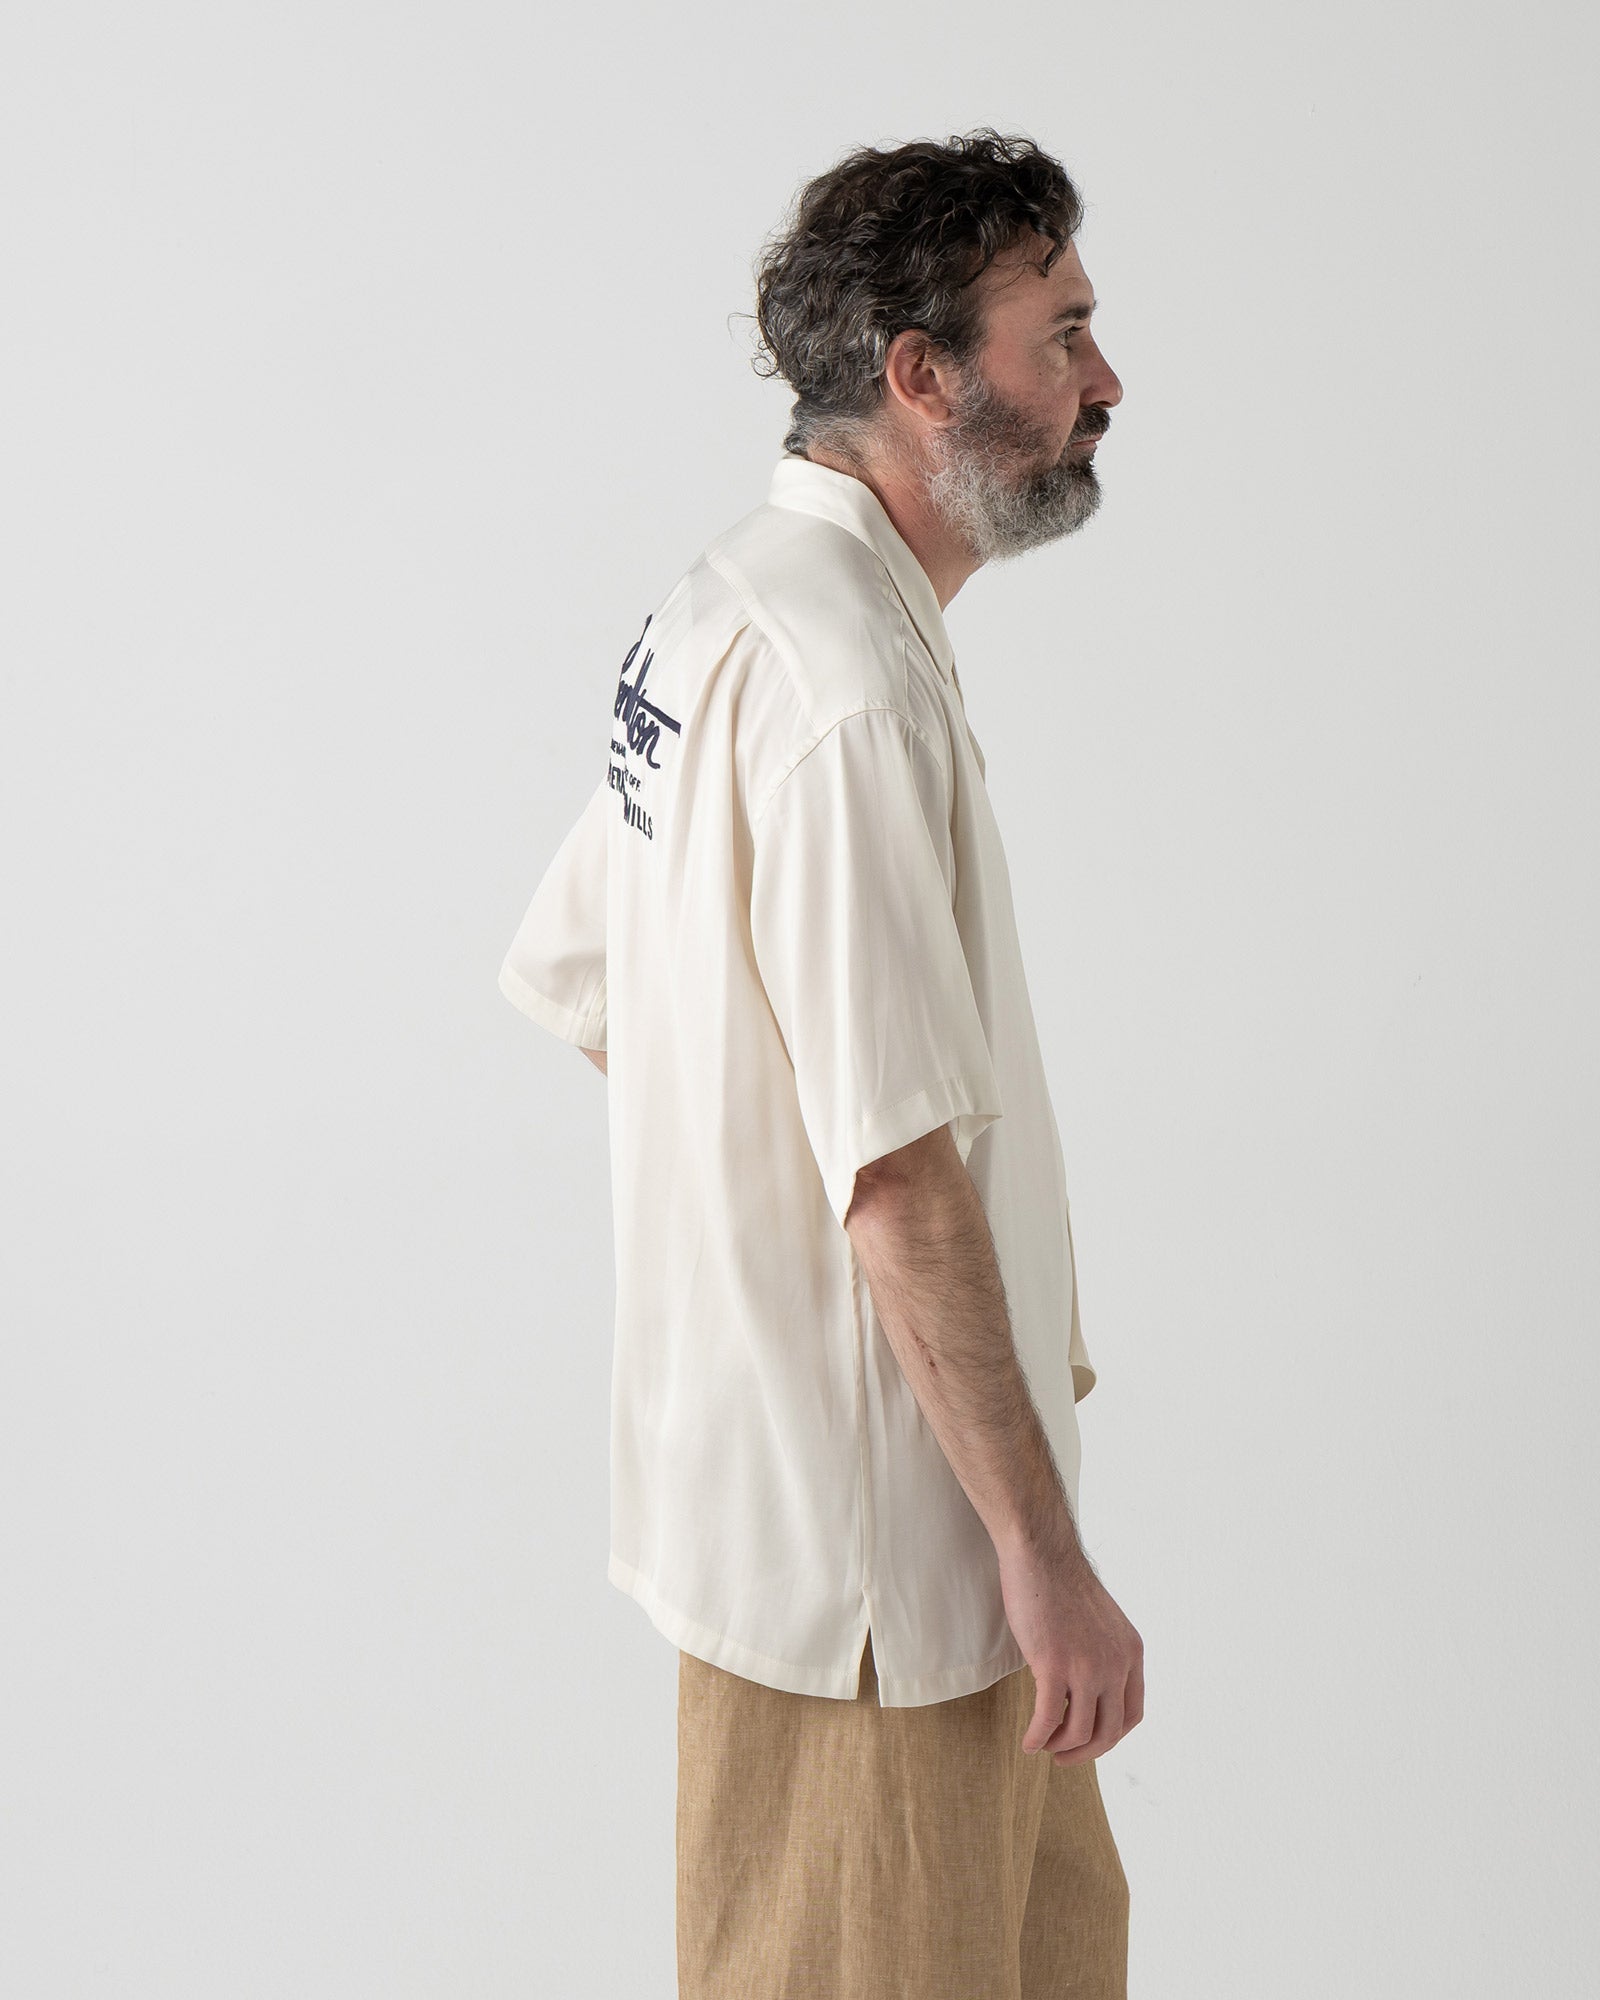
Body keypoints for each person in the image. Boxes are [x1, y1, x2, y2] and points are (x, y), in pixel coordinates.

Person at [499, 128, 1142, 2000]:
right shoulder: (843, 687)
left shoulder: (724, 606)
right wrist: (1039, 1554)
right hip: (890, 1583)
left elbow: (602, 985)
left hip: (853, 1525)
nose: (1107, 381)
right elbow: (895, 1171)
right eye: (1063, 333)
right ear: (924, 374)